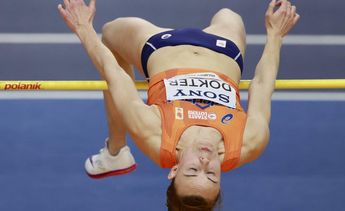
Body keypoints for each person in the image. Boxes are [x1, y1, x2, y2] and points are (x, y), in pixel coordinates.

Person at [58, 0, 299, 210]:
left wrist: (83, 28)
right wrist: (275, 36)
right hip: (225, 49)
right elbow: (261, 84)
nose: (204, 162)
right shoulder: (250, 142)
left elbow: (115, 75)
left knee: (109, 33)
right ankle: (115, 153)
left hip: (159, 46)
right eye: (212, 174)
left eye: (193, 171)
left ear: (173, 171)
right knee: (229, 14)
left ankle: (117, 150)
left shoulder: (155, 136)